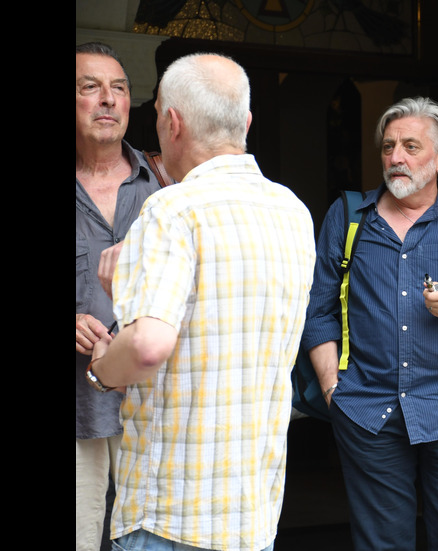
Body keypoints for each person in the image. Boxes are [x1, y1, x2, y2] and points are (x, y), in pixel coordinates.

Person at [88, 53, 316, 551]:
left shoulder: (172, 209)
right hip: (251, 512)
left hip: (170, 512)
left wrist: (102, 369)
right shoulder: (293, 211)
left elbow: (147, 346)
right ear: (246, 122)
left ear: (172, 123)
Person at [303, 96, 438, 551]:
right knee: (382, 544)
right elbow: (319, 312)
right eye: (388, 147)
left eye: (410, 146)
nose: (395, 157)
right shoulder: (348, 218)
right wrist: (331, 388)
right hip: (366, 410)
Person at [75, 41, 161, 551]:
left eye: (119, 88)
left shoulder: (165, 185)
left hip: (153, 407)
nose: (108, 99)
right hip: (78, 409)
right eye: (91, 87)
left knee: (150, 540)